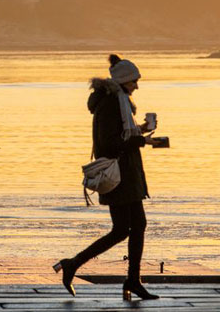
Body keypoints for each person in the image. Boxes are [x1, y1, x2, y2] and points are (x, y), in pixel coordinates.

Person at [54, 54, 161, 301]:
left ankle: (132, 279)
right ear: (123, 80)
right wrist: (140, 140)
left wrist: (142, 130)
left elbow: (121, 135)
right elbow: (107, 144)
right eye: (134, 81)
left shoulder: (120, 101)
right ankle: (73, 264)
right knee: (122, 229)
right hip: (119, 178)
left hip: (128, 176)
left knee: (133, 227)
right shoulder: (111, 104)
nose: (137, 86)